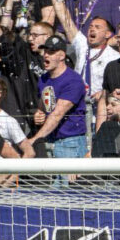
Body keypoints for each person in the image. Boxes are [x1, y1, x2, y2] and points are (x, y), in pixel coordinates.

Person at [26, 35, 87, 172]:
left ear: (62, 55)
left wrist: (35, 139)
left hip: (70, 143)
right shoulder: (44, 78)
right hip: (51, 140)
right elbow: (45, 103)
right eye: (45, 51)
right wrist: (40, 112)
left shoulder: (73, 80)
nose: (46, 55)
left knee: (68, 185)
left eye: (51, 52)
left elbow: (57, 114)